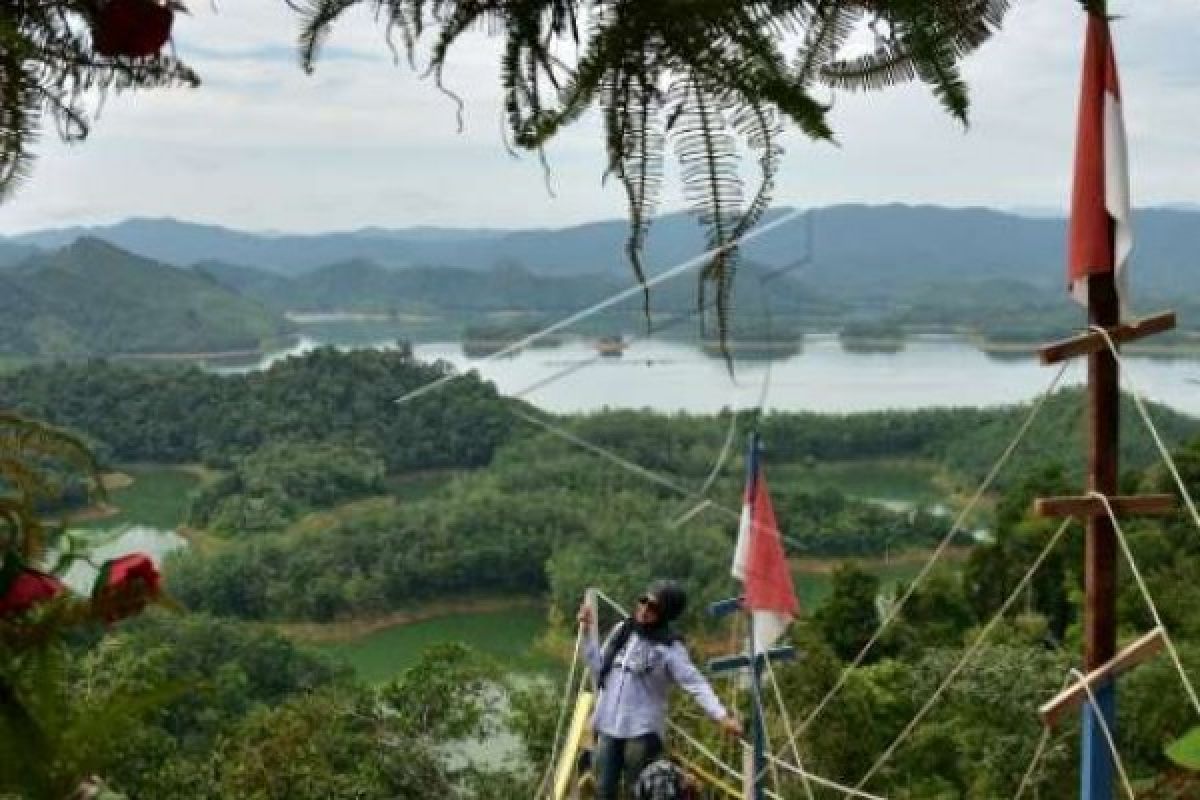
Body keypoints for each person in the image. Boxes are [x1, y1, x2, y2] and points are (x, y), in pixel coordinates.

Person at [577, 580, 742, 800]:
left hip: (642, 731)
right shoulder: (622, 631)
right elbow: (597, 667)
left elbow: (695, 683)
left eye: (653, 607)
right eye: (643, 601)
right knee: (604, 790)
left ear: (666, 614)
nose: (644, 610)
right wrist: (587, 633)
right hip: (609, 726)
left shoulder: (670, 648)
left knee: (641, 792)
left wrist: (721, 716)